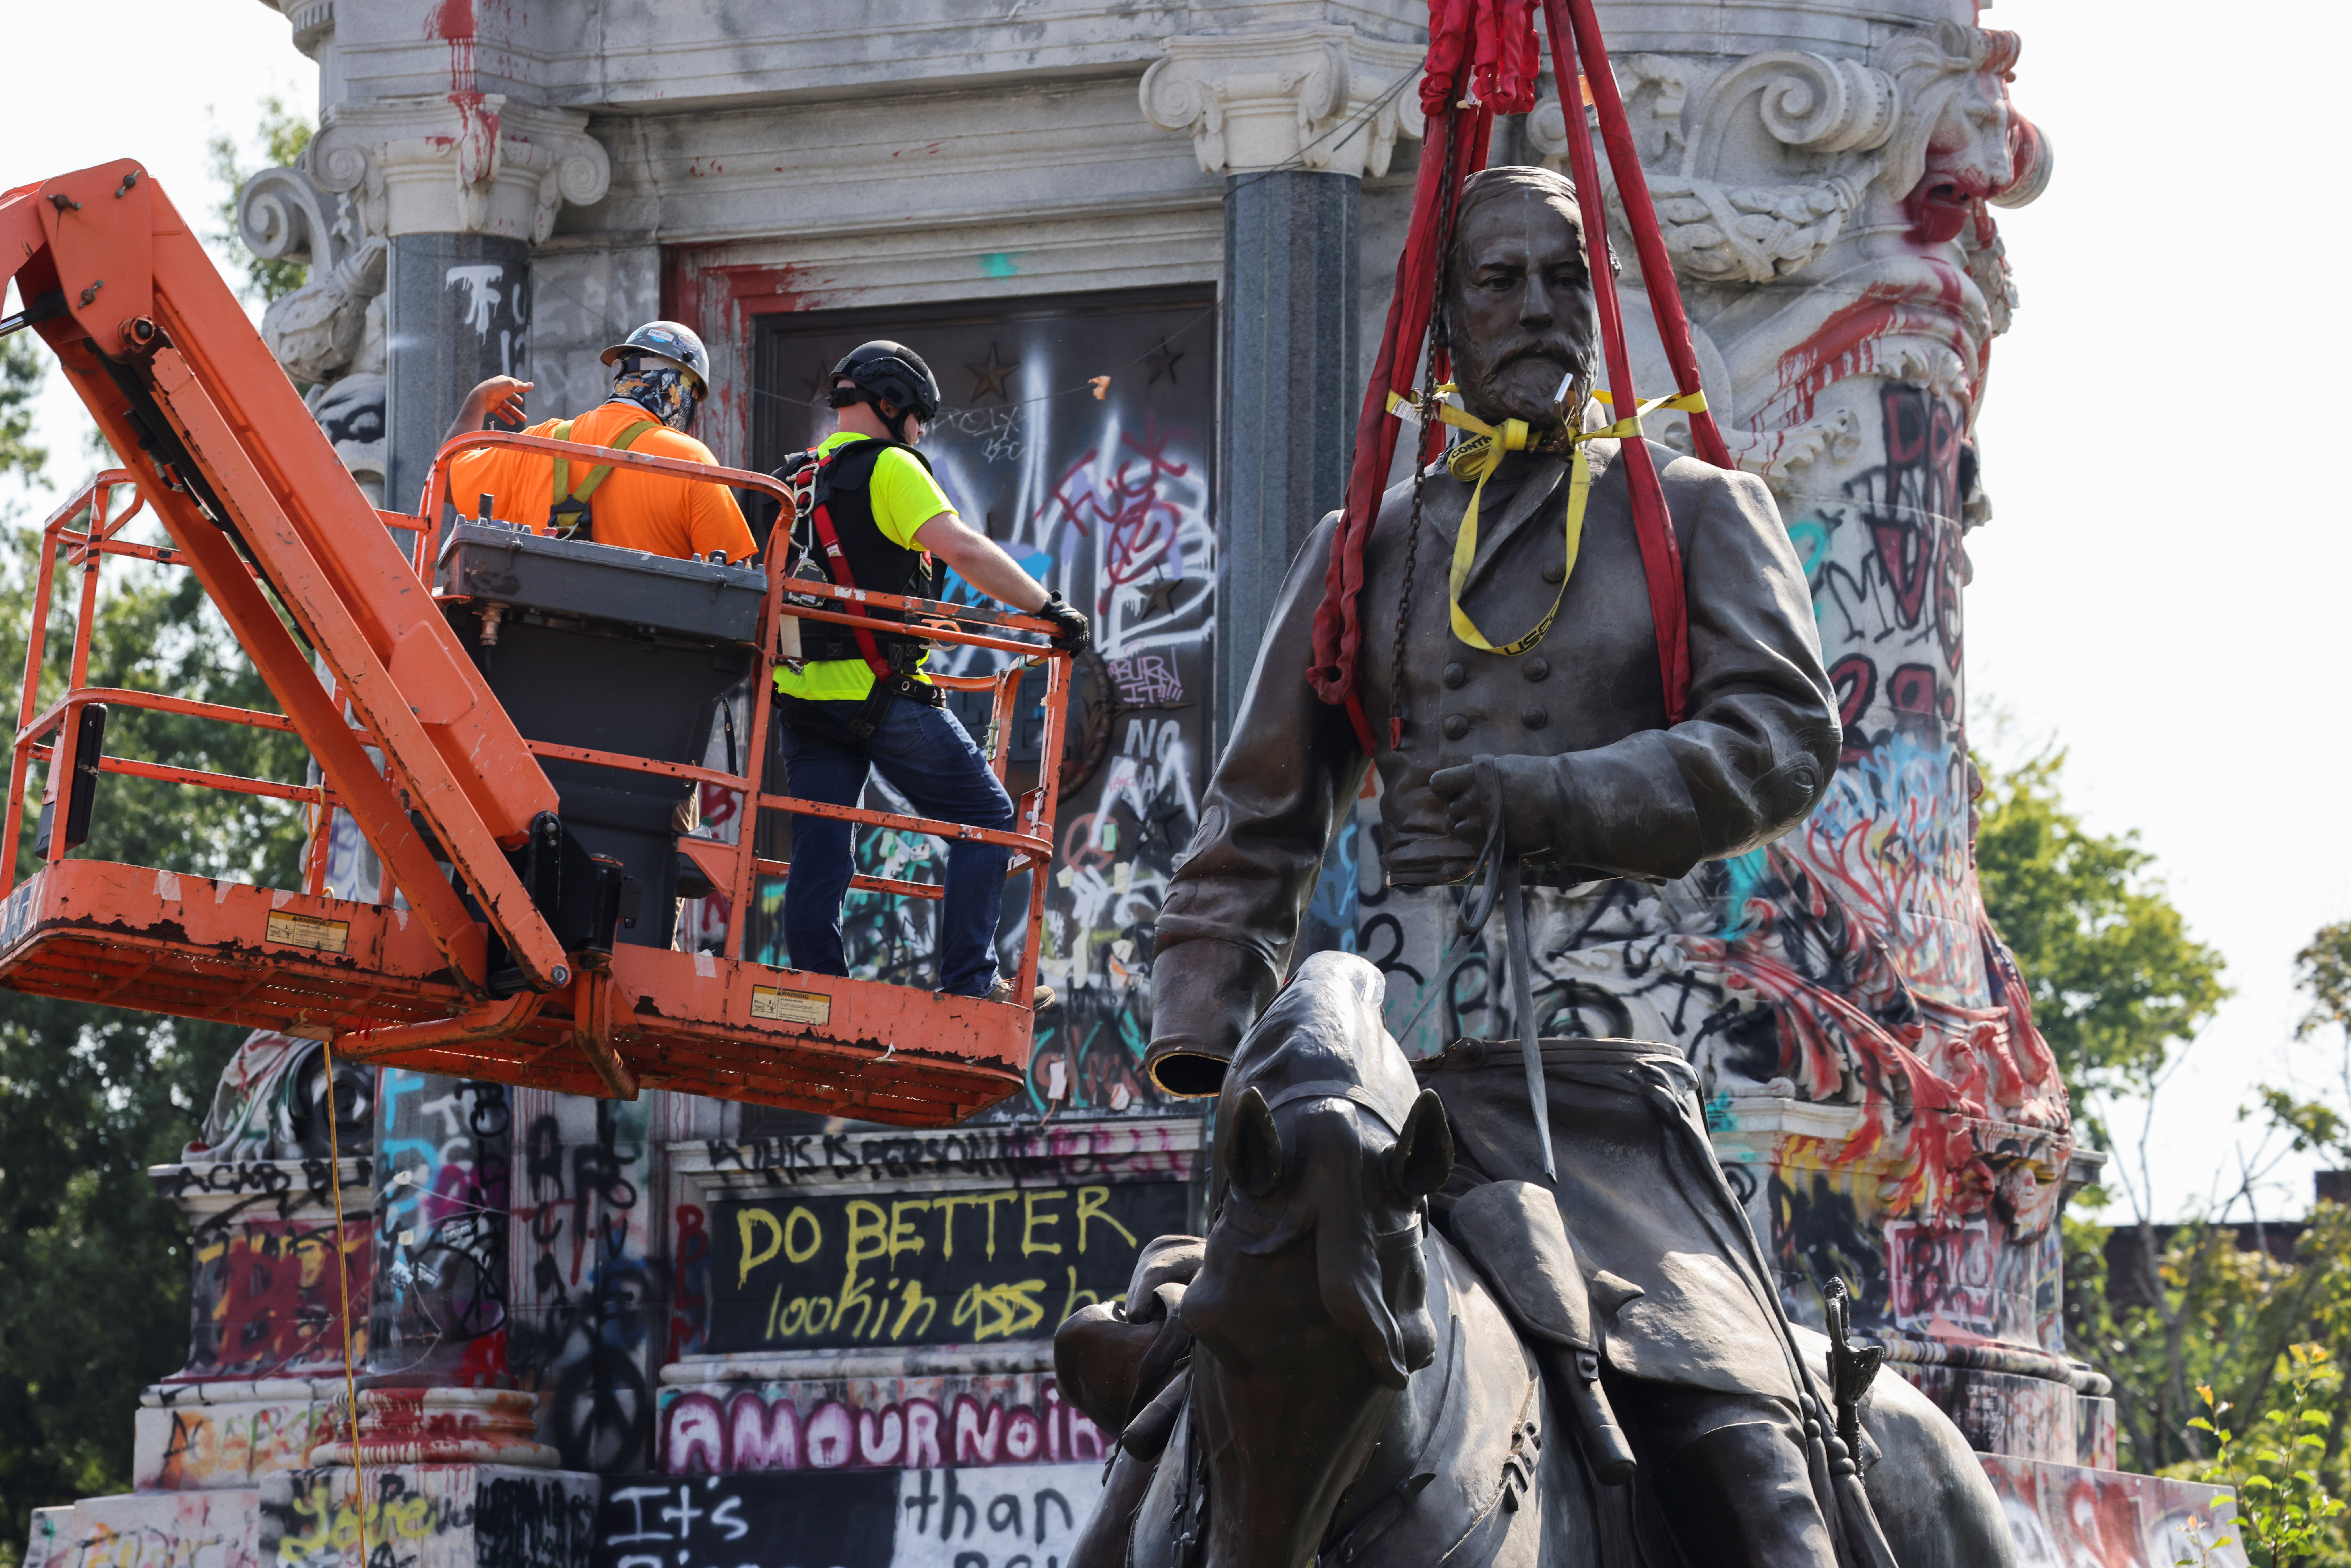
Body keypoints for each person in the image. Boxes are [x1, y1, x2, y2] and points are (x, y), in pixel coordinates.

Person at [1144, 166, 1859, 1568]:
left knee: (1751, 1471)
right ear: (1445, 327)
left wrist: (1548, 798)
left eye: (1566, 277)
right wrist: (1203, 1032)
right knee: (1158, 1456)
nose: (1540, 307)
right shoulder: (1369, 548)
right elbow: (1260, 816)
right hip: (1384, 1101)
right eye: (1500, 280)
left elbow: (1785, 736)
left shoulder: (1697, 511)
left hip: (1613, 1095)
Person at [772, 340, 1089, 1009]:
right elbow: (962, 547)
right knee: (986, 816)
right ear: (892, 405)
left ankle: (815, 990)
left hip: (802, 701)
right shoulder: (890, 467)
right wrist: (1048, 609)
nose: (920, 433)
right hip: (883, 695)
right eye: (919, 419)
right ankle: (971, 982)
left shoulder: (792, 482)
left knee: (822, 845)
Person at [443, 320, 759, 564]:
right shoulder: (690, 459)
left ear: (621, 374)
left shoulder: (541, 441)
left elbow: (444, 482)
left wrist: (479, 399)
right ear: (680, 389)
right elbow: (736, 574)